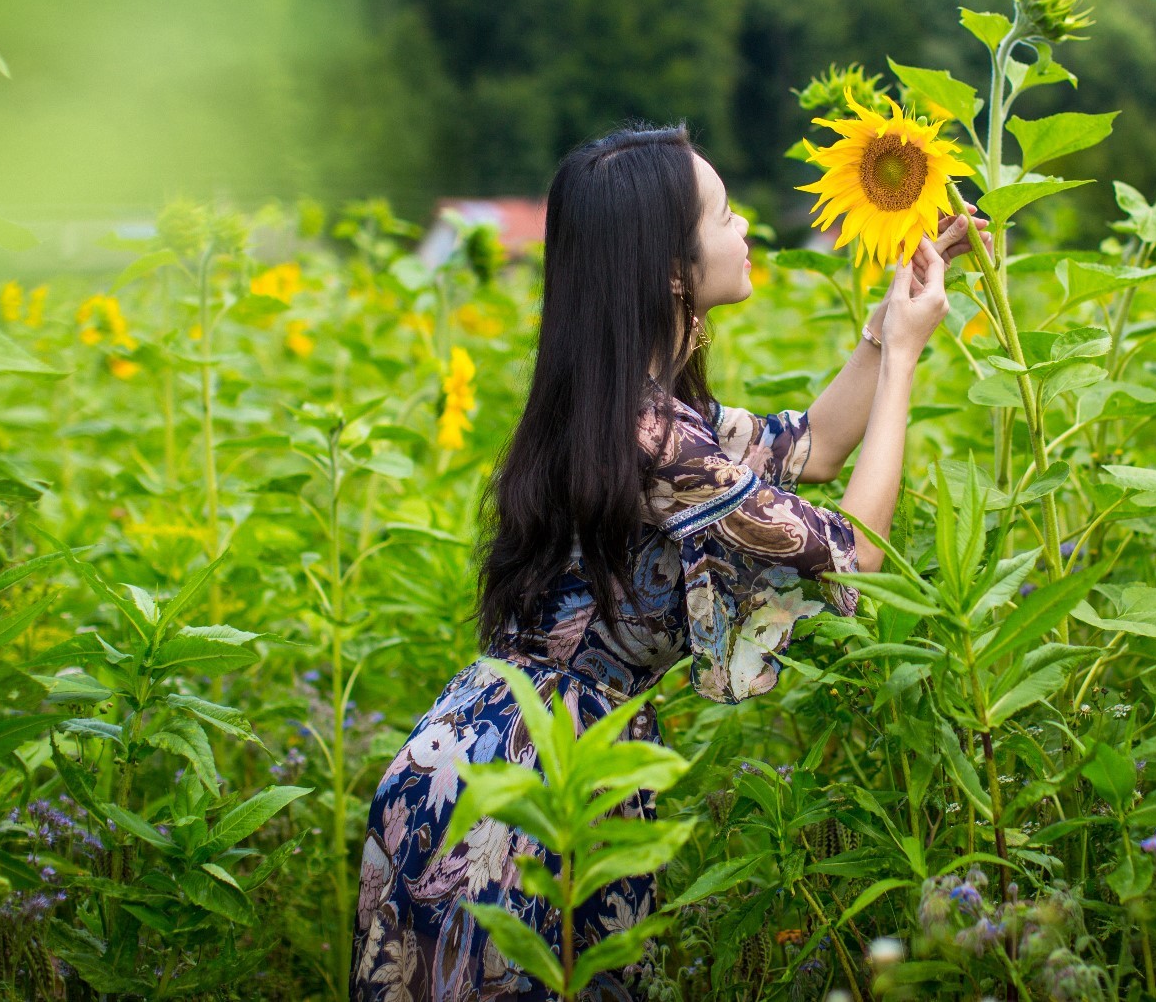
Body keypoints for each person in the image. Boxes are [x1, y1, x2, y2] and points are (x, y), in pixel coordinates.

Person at [350, 123, 983, 1001]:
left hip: (482, 758)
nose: (746, 226)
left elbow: (817, 450)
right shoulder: (657, 445)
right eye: (724, 215)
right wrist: (909, 359)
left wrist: (885, 323)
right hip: (527, 793)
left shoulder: (631, 411)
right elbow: (854, 553)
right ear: (672, 272)